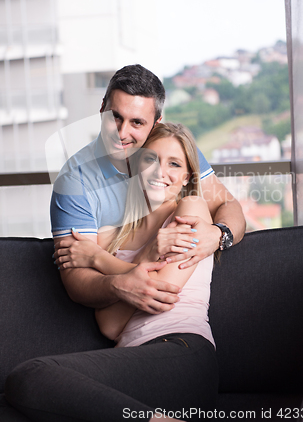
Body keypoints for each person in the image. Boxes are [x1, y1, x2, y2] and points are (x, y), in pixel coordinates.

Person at [5, 123, 219, 422]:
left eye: (174, 164)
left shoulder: (190, 209)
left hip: (182, 353)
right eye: (149, 159)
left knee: (33, 375)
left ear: (186, 177)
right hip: (134, 359)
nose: (160, 171)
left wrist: (99, 260)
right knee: (29, 381)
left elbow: (157, 294)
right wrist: (146, 255)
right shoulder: (115, 234)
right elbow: (110, 325)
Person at [50, 64, 246, 317]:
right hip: (110, 317)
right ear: (101, 109)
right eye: (115, 116)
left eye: (137, 122)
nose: (122, 132)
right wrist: (122, 286)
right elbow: (76, 280)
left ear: (156, 123)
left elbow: (228, 206)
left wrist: (219, 235)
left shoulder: (173, 151)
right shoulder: (74, 181)